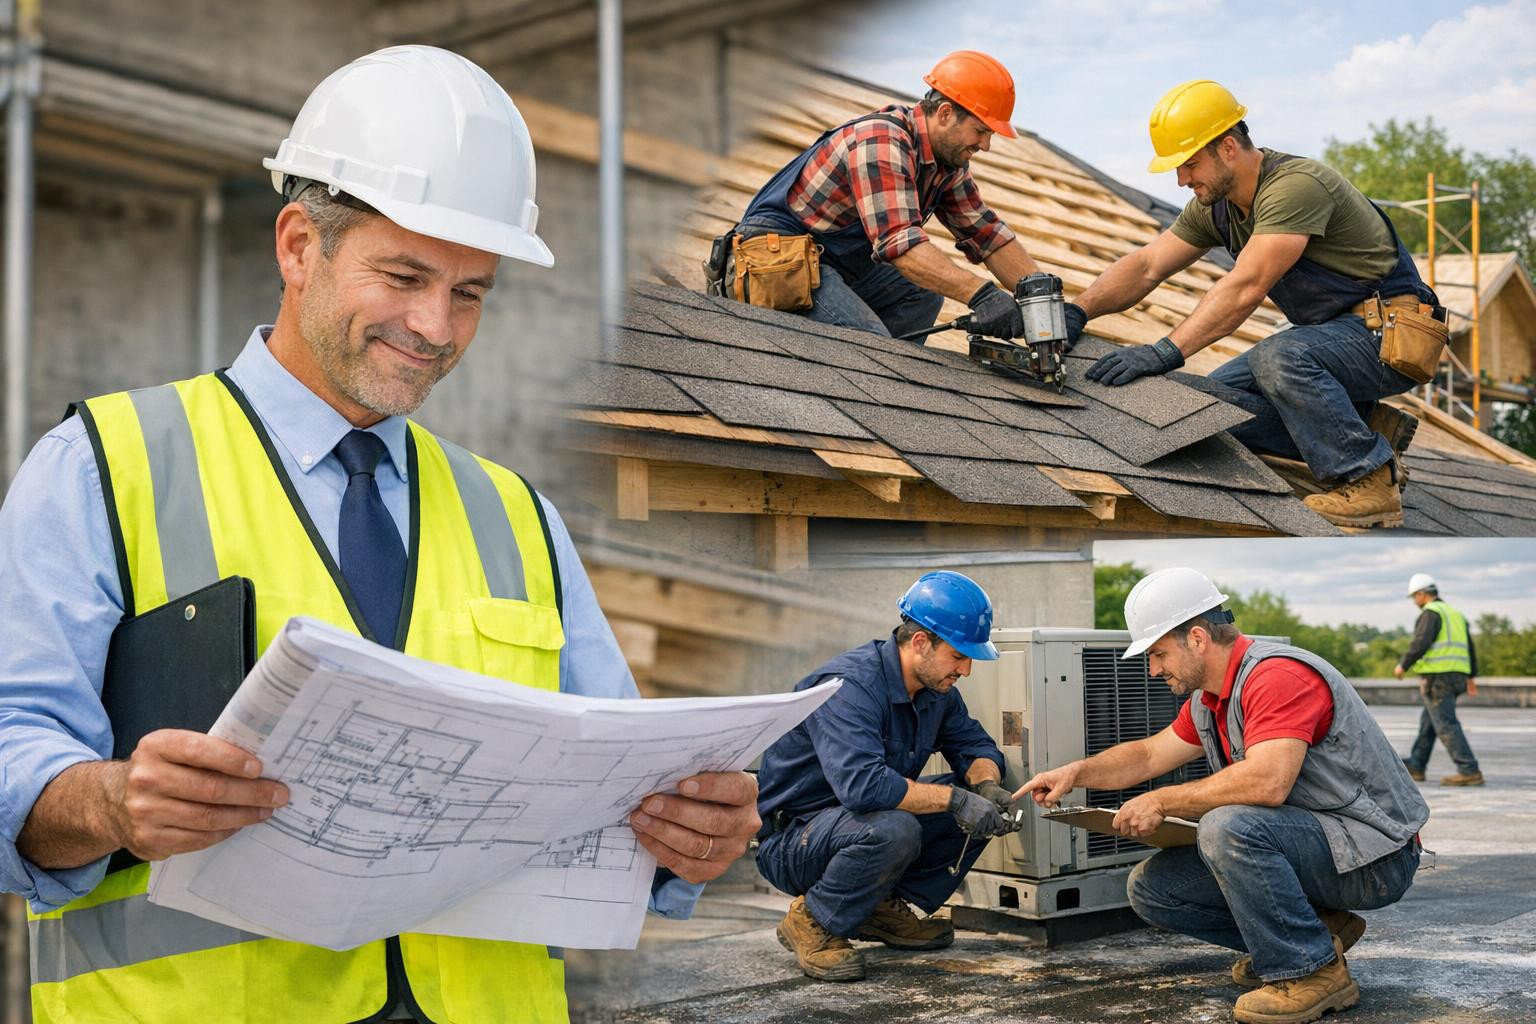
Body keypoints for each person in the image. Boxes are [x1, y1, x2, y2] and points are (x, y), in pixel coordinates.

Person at [0, 46, 758, 1024]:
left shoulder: (516, 515)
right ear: (297, 245)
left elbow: (620, 785)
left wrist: (687, 835)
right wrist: (107, 801)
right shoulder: (106, 464)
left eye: (470, 291)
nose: (434, 326)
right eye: (403, 275)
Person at [1017, 567, 1428, 1024]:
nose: (1152, 670)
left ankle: (1314, 972)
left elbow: (1268, 782)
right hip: (1325, 850)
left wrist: (1163, 802)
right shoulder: (1209, 699)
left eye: (1157, 654)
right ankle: (1316, 933)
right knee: (1154, 889)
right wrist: (1076, 773)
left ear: (1196, 638)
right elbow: (1149, 755)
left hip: (1375, 859)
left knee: (1228, 825)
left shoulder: (1276, 677)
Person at [1068, 80, 1440, 530]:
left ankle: (1367, 478)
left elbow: (1247, 286)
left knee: (1279, 356)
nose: (1182, 180)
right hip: (1329, 340)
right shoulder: (1216, 205)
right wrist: (1079, 311)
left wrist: (1164, 351)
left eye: (1188, 164)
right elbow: (1148, 265)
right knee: (1203, 408)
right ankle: (1365, 428)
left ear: (1227, 147)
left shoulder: (1296, 186)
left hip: (1388, 336)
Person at [754, 571, 1020, 982]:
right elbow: (863, 786)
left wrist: (985, 786)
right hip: (795, 840)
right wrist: (956, 801)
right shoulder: (849, 686)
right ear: (919, 643)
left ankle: (878, 906)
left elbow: (974, 746)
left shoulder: (937, 690)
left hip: (855, 825)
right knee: (895, 827)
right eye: (958, 655)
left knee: (974, 804)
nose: (965, 670)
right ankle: (813, 920)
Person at [727, 51, 1059, 342]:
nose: (985, 145)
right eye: (981, 130)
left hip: (828, 263)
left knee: (922, 295)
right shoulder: (881, 139)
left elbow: (987, 236)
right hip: (776, 261)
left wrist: (1048, 307)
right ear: (945, 114)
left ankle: (884, 389)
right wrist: (982, 295)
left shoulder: (948, 164)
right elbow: (901, 245)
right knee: (871, 347)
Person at [1396, 572, 1483, 786]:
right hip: (1457, 676)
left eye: (1415, 597)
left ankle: (1469, 769)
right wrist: (1471, 676)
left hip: (1439, 678)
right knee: (1430, 722)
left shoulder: (1431, 613)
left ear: (1422, 594)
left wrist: (1403, 665)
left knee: (1446, 724)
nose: (1415, 601)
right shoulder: (1455, 613)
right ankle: (1417, 765)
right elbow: (1470, 647)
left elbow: (1421, 642)